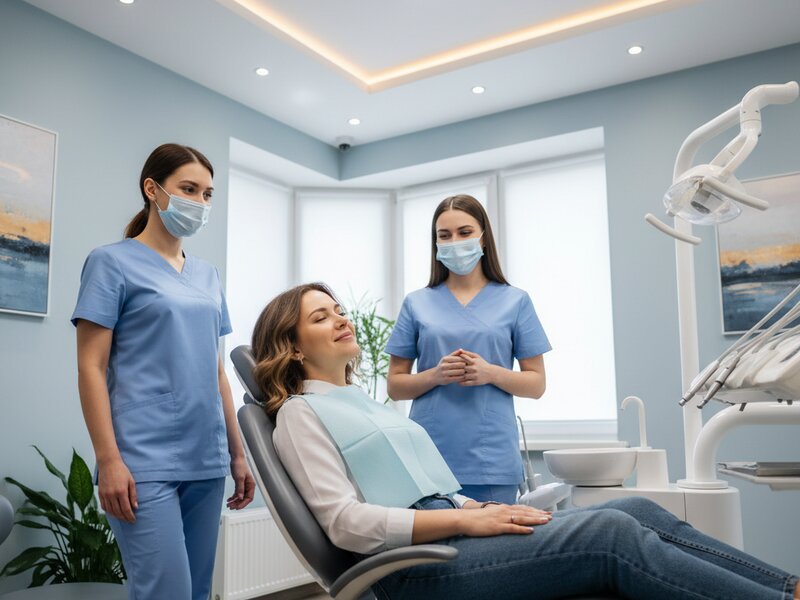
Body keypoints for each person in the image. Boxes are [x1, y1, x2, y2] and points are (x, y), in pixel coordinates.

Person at [251, 282, 800, 600]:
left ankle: (787, 587)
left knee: (634, 506)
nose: (342, 320)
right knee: (609, 532)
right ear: (294, 348)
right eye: (321, 318)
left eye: (339, 309)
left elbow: (423, 487)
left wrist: (476, 507)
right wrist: (464, 521)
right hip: (414, 568)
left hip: (453, 533)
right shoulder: (301, 414)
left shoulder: (364, 403)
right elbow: (346, 522)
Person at [72, 143, 255, 600]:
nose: (200, 202)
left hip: (207, 458)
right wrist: (109, 461)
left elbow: (215, 372)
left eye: (208, 194)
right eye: (188, 189)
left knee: (196, 592)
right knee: (164, 592)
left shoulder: (208, 275)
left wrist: (237, 452)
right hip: (141, 460)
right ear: (152, 189)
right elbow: (90, 367)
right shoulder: (110, 262)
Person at [386, 194, 550, 504]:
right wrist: (435, 375)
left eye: (464, 232)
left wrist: (489, 373)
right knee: (437, 551)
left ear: (483, 237)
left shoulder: (515, 301)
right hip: (429, 459)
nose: (454, 242)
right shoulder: (416, 303)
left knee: (499, 552)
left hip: (492, 462)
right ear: (435, 243)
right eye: (444, 236)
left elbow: (536, 384)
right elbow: (395, 386)